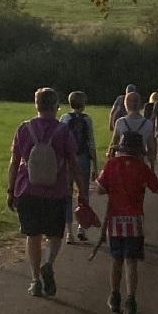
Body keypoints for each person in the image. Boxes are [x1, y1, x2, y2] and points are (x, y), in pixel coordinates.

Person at [7, 87, 89, 297]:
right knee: (54, 234)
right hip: (56, 191)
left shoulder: (24, 129)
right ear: (55, 106)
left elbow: (14, 162)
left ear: (36, 105)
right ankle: (49, 263)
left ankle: (35, 280)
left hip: (27, 190)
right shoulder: (63, 131)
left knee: (32, 235)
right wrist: (81, 190)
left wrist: (11, 190)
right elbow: (73, 163)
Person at [96, 131, 158, 314]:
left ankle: (114, 295)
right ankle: (131, 300)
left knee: (116, 260)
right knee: (131, 262)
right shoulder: (142, 168)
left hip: (115, 223)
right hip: (135, 223)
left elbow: (100, 189)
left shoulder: (112, 165)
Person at [60, 90, 98, 242]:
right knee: (83, 193)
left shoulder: (64, 118)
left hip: (67, 159)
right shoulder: (87, 120)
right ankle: (81, 227)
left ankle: (69, 232)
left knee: (67, 194)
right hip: (82, 158)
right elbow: (91, 143)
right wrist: (95, 166)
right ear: (83, 104)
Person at [110, 90, 154, 166]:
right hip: (139, 161)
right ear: (140, 104)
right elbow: (150, 147)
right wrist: (152, 165)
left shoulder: (120, 122)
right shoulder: (148, 123)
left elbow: (114, 142)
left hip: (123, 162)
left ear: (126, 105)